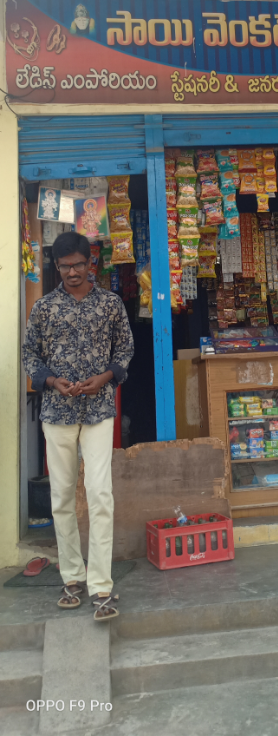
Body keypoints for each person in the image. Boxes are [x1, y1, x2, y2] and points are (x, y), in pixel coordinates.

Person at [22, 232, 134, 619]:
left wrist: (106, 377)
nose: (72, 272)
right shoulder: (44, 308)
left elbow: (125, 348)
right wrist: (52, 381)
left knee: (100, 494)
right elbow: (30, 355)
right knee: (62, 499)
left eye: (78, 265)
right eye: (65, 266)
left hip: (99, 410)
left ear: (91, 264)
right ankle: (72, 577)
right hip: (57, 414)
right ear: (57, 267)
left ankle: (101, 586)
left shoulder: (110, 304)